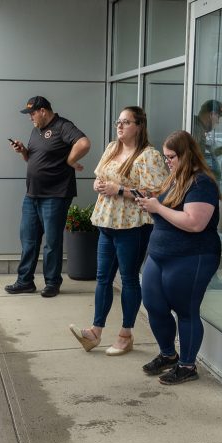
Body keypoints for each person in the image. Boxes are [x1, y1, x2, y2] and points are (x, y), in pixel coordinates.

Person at [68, 106, 167, 355]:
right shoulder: (113, 147)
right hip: (107, 222)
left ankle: (126, 334)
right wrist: (99, 185)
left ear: (139, 126)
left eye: (126, 122)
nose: (120, 126)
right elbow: (99, 176)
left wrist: (120, 190)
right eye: (118, 122)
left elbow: (156, 193)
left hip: (131, 225)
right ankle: (95, 332)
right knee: (103, 278)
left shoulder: (148, 155)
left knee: (129, 279)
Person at [136, 131, 221, 385]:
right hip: (160, 254)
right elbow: (167, 210)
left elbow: (195, 223)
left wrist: (157, 207)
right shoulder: (176, 178)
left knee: (186, 311)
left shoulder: (201, 183)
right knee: (154, 305)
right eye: (165, 157)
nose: (167, 161)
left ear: (186, 154)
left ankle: (187, 365)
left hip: (191, 256)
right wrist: (150, 201)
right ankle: (168, 354)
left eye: (171, 156)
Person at [7, 96, 91, 298]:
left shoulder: (63, 126)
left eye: (32, 113)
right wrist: (23, 151)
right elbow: (33, 159)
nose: (30, 118)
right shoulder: (36, 130)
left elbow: (84, 143)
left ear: (43, 110)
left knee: (52, 242)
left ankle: (52, 282)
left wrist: (70, 160)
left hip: (55, 195)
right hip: (32, 194)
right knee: (28, 240)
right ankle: (25, 281)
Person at [191, 99, 222, 175]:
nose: (218, 122)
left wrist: (214, 153)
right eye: (218, 117)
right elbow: (190, 159)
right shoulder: (196, 129)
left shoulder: (197, 127)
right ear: (211, 115)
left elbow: (198, 155)